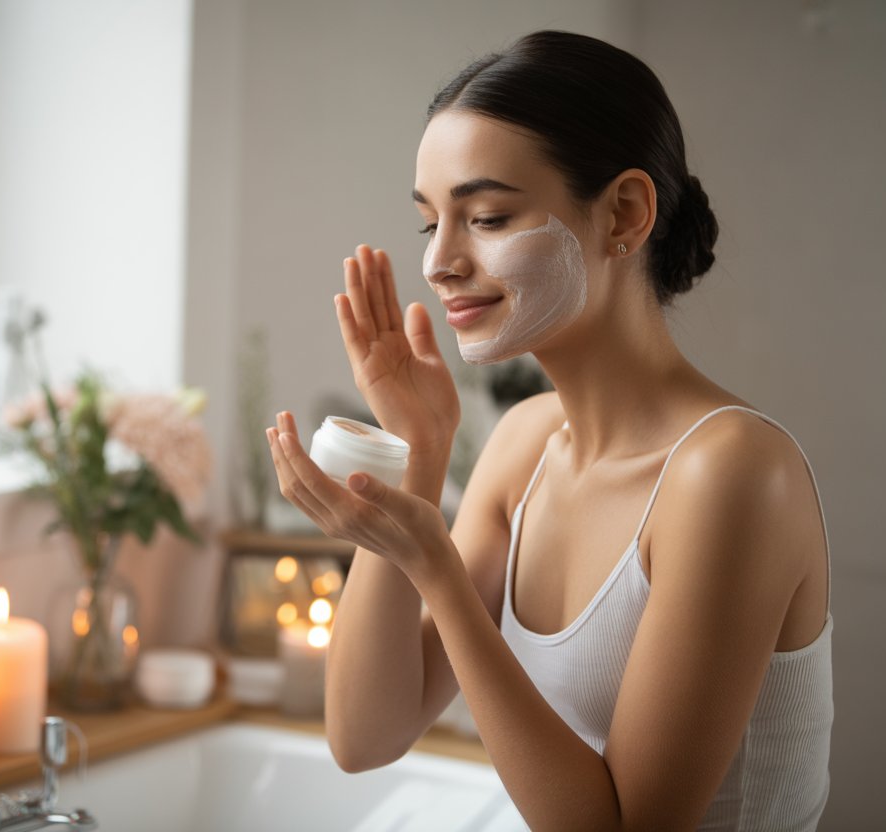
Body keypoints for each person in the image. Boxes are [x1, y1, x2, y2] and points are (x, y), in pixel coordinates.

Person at [266, 30, 832, 831]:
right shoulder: (525, 444)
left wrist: (438, 572)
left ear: (625, 215)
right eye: (432, 224)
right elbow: (366, 735)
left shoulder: (734, 473)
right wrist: (418, 457)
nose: (439, 263)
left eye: (488, 216)